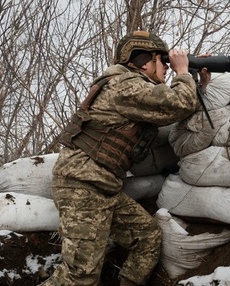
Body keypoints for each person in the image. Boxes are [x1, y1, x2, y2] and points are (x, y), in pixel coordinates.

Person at [40, 30, 211, 286]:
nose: (166, 68)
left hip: (103, 188)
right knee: (80, 276)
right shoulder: (125, 85)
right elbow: (177, 104)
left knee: (148, 238)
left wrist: (198, 82)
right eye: (162, 61)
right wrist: (183, 71)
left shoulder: (134, 90)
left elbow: (175, 107)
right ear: (144, 62)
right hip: (82, 186)